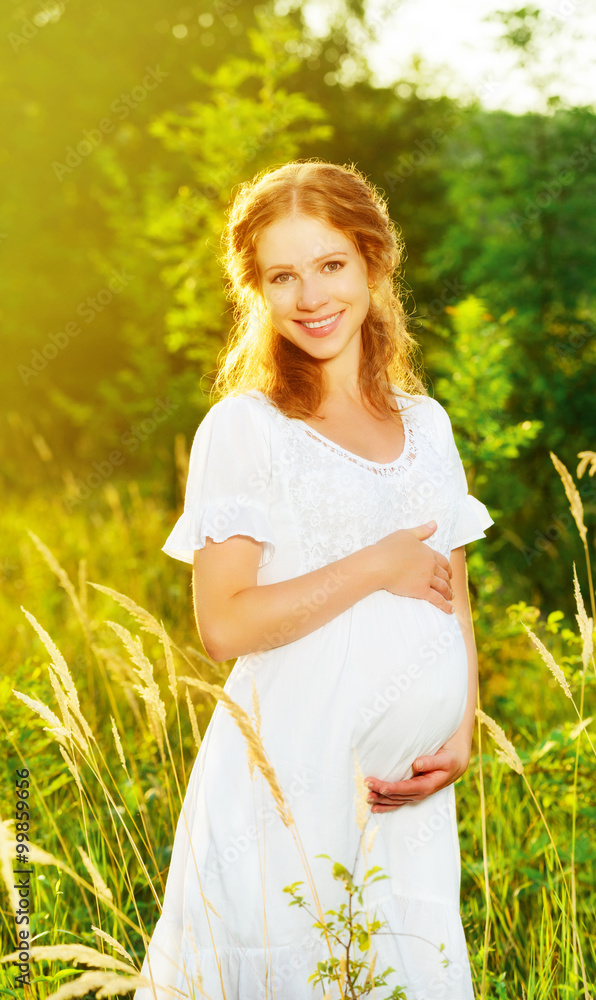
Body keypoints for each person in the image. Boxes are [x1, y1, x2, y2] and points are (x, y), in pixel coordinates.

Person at [134, 159, 494, 1000]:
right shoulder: (246, 428)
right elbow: (223, 625)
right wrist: (374, 565)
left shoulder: (426, 422)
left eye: (330, 265)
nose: (311, 297)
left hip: (401, 804)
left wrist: (461, 730)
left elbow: (453, 588)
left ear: (374, 260)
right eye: (281, 276)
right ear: (256, 289)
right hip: (284, 795)